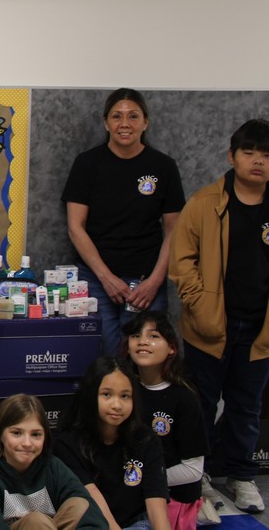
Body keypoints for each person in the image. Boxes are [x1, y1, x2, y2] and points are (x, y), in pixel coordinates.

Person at [168, 118, 269, 514]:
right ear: (232, 156)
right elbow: (182, 262)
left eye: (265, 155)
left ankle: (242, 476)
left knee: (246, 408)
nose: (258, 162)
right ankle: (200, 475)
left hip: (259, 330)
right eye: (249, 153)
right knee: (202, 406)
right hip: (208, 328)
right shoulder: (205, 202)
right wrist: (199, 304)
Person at [62, 88, 185, 356]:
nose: (125, 123)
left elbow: (174, 230)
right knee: (104, 356)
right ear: (106, 123)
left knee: (144, 357)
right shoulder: (87, 164)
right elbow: (75, 227)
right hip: (96, 278)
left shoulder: (163, 166)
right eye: (117, 116)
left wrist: (154, 281)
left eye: (133, 116)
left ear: (145, 122)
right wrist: (106, 278)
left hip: (146, 280)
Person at [54, 357, 170, 530]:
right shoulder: (68, 442)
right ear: (91, 394)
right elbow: (92, 497)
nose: (117, 405)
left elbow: (156, 502)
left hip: (137, 522)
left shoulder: (146, 439)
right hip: (91, 523)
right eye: (106, 394)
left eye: (125, 396)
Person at [122, 312, 211, 529]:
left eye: (153, 336)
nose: (143, 341)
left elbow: (192, 470)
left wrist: (143, 481)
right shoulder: (123, 389)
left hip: (171, 496)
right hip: (129, 491)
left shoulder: (185, 398)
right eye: (136, 336)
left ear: (171, 347)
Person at [0, 394, 105, 530]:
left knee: (78, 504)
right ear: (0, 434)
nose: (27, 443)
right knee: (35, 521)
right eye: (17, 433)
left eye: (36, 434)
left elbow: (96, 522)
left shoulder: (53, 467)